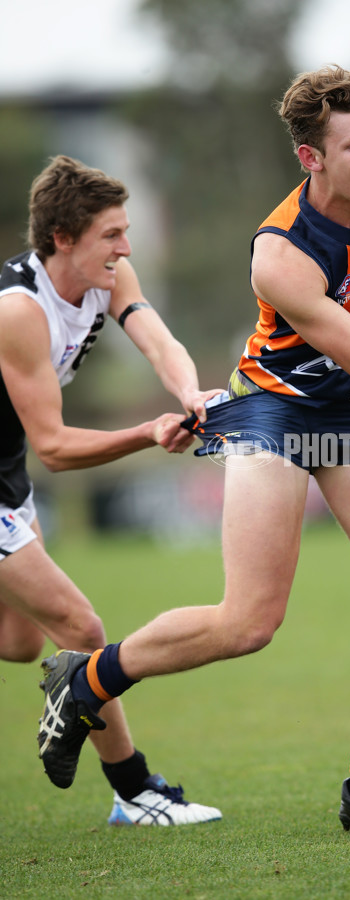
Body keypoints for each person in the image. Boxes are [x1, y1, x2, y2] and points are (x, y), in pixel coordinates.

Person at [36, 69, 350, 833]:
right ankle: (87, 682)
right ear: (312, 158)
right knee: (249, 621)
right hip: (275, 411)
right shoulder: (279, 255)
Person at [1, 155, 224, 826]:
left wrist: (189, 394)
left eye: (126, 232)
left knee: (20, 643)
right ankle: (135, 791)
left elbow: (158, 341)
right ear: (63, 237)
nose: (126, 248)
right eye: (111, 234)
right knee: (80, 628)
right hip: (17, 466)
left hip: (7, 472)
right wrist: (149, 432)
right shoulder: (18, 312)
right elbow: (57, 449)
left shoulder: (107, 275)